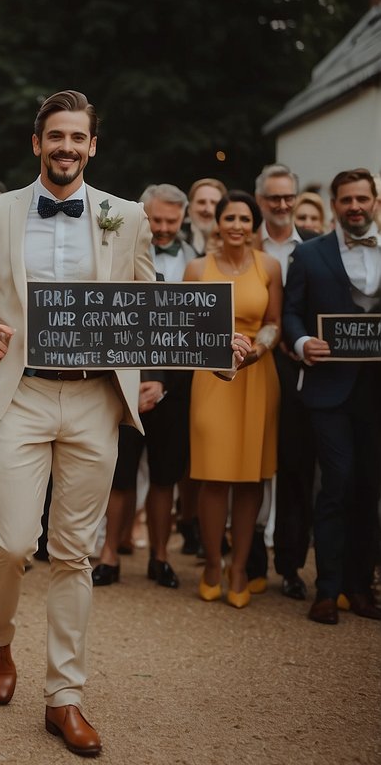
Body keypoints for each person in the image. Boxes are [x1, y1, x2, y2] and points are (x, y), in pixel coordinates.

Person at [0, 90, 247, 757]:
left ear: (92, 145)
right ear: (36, 143)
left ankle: (64, 696)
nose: (66, 147)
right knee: (13, 545)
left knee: (73, 552)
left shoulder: (125, 216)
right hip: (17, 394)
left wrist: (210, 346)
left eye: (77, 137)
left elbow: (146, 303)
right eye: (55, 136)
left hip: (93, 401)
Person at [283, 168, 381, 624]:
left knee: (369, 487)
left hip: (375, 392)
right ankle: (327, 589)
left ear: (375, 202)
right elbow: (292, 314)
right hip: (328, 390)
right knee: (336, 484)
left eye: (363, 199)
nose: (355, 207)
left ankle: (361, 589)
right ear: (335, 205)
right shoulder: (309, 254)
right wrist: (303, 344)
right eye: (347, 200)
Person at [92, 184, 197, 590]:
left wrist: (163, 383)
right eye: (157, 220)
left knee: (165, 473)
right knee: (120, 473)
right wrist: (136, 381)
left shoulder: (195, 261)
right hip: (124, 377)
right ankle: (108, 555)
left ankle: (159, 557)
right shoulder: (112, 251)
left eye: (173, 221)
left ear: (184, 218)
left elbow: (193, 327)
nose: (165, 228)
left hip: (177, 383)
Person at [186, 191, 281, 608]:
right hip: (211, 376)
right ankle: (211, 562)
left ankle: (239, 566)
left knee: (250, 476)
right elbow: (182, 325)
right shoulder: (196, 268)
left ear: (254, 224)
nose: (238, 225)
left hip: (258, 374)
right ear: (217, 223)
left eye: (245, 218)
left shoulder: (270, 266)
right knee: (213, 473)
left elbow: (274, 323)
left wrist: (257, 351)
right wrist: (215, 347)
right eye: (230, 218)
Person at [255, 165, 321, 600]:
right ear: (260, 200)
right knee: (253, 468)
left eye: (288, 197)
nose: (282, 205)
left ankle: (292, 565)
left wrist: (295, 342)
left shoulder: (316, 248)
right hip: (250, 368)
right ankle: (249, 560)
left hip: (297, 369)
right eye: (274, 197)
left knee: (296, 468)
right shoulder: (238, 239)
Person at [183, 178, 226, 256]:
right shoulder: (177, 239)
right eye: (201, 202)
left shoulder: (231, 242)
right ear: (189, 208)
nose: (207, 209)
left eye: (214, 203)